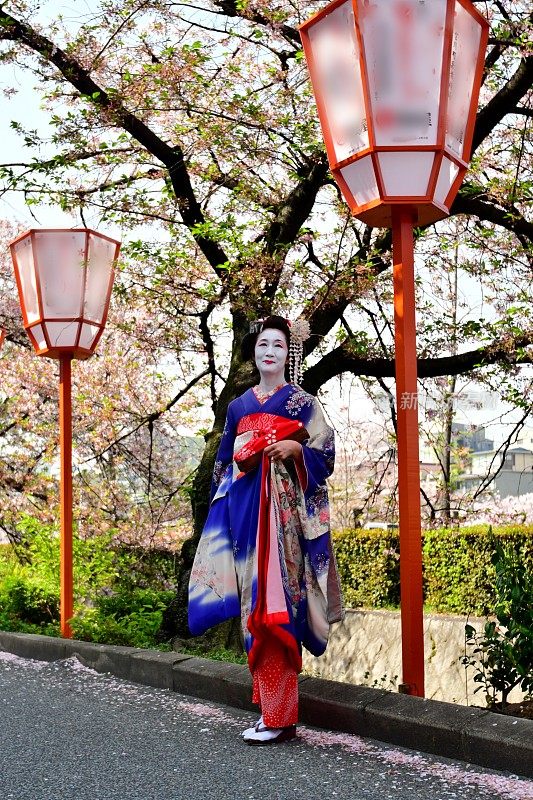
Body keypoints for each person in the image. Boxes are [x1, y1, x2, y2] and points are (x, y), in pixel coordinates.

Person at [188, 315, 344, 745]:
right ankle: (273, 712)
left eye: (277, 344)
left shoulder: (303, 404)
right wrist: (245, 456)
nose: (268, 352)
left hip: (287, 524)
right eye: (261, 345)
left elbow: (325, 455)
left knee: (278, 607)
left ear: (288, 353)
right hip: (246, 518)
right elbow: (223, 464)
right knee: (252, 611)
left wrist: (296, 448)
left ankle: (278, 717)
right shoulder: (238, 407)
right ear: (253, 352)